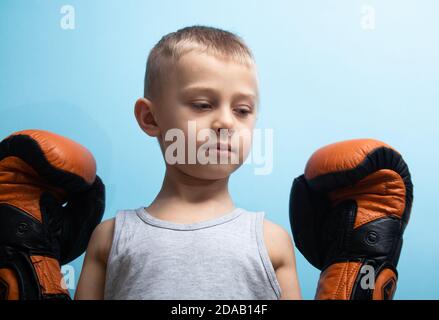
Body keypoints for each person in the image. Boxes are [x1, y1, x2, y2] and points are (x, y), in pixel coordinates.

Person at [74, 25, 302, 300]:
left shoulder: (271, 242)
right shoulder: (110, 239)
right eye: (203, 104)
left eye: (242, 110)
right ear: (150, 118)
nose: (226, 122)